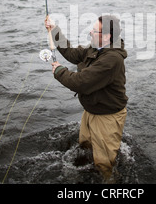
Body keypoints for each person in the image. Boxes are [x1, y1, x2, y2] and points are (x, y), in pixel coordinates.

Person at [45, 14, 128, 181]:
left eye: (94, 31)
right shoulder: (96, 48)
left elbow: (81, 83)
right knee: (85, 147)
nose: (90, 32)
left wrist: (59, 71)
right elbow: (71, 53)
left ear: (107, 36)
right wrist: (54, 30)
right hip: (91, 111)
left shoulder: (111, 59)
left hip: (107, 117)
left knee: (104, 165)